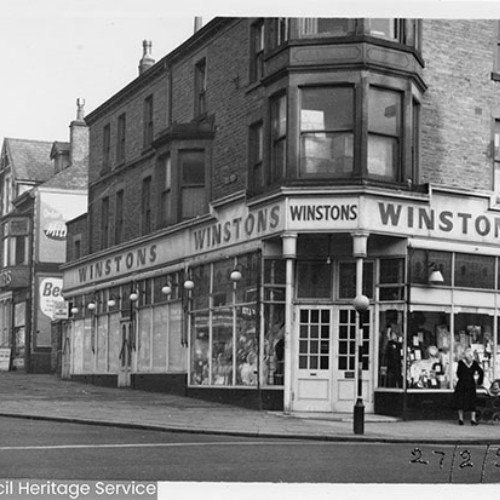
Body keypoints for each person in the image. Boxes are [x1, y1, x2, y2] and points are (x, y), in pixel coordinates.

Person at [451, 348, 484, 426]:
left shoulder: (461, 363)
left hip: (462, 383)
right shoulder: (474, 363)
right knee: (471, 401)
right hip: (470, 384)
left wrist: (462, 377)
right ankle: (472, 419)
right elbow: (481, 372)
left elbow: (458, 373)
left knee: (461, 401)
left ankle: (461, 419)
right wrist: (479, 381)